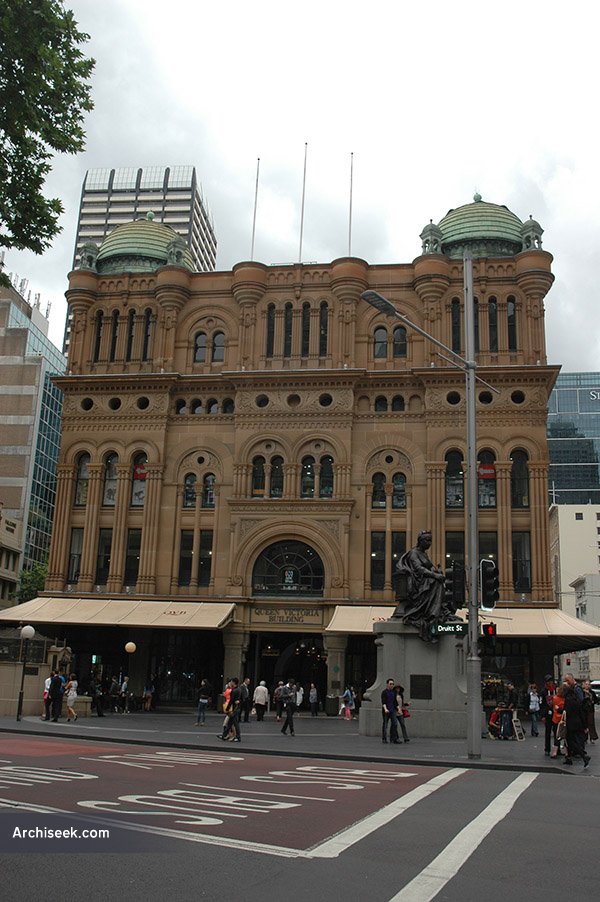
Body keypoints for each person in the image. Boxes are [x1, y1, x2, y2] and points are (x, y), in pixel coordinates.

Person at [395, 530, 460, 642]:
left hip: (423, 581)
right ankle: (433, 614)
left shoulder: (424, 554)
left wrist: (437, 571)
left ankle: (441, 609)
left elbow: (429, 568)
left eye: (430, 540)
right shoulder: (414, 553)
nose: (429, 543)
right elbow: (418, 568)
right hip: (417, 584)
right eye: (427, 540)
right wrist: (435, 575)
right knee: (436, 582)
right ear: (420, 541)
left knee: (438, 581)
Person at [564, 680, 591, 768]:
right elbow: (581, 713)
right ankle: (569, 758)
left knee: (570, 741)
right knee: (574, 740)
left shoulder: (568, 700)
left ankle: (583, 756)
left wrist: (559, 709)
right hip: (578, 723)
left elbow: (566, 712)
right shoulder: (576, 700)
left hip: (570, 723)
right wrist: (585, 725)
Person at [218, 677, 241, 742]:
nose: (230, 683)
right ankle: (224, 735)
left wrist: (227, 709)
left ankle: (238, 737)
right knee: (230, 723)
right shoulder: (238, 689)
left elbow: (231, 700)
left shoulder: (234, 691)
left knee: (235, 723)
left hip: (233, 709)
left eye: (231, 682)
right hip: (236, 708)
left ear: (233, 682)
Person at [540, 673, 556, 756]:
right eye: (548, 681)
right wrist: (543, 715)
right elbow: (542, 704)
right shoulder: (543, 691)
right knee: (548, 732)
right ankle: (547, 749)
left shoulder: (555, 689)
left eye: (551, 681)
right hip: (547, 714)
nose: (550, 683)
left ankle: (557, 748)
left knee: (556, 732)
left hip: (555, 713)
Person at [381, 678, 400, 743]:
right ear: (387, 684)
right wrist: (385, 709)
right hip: (386, 711)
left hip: (392, 710)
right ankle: (384, 738)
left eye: (393, 684)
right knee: (385, 724)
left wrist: (398, 709)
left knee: (395, 723)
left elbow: (395, 702)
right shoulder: (384, 692)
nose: (392, 685)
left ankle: (393, 738)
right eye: (390, 684)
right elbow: (383, 702)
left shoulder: (394, 692)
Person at [551, 684, 567, 758]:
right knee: (565, 736)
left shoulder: (555, 698)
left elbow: (553, 707)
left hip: (555, 719)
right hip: (563, 719)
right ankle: (566, 752)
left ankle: (555, 752)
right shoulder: (565, 699)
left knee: (556, 736)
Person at [582, 679, 598, 743]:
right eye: (586, 684)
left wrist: (593, 701)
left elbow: (596, 700)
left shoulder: (592, 692)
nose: (587, 685)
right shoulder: (582, 692)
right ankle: (585, 738)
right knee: (585, 724)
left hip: (590, 709)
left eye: (588, 684)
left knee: (591, 724)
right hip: (584, 710)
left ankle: (592, 737)